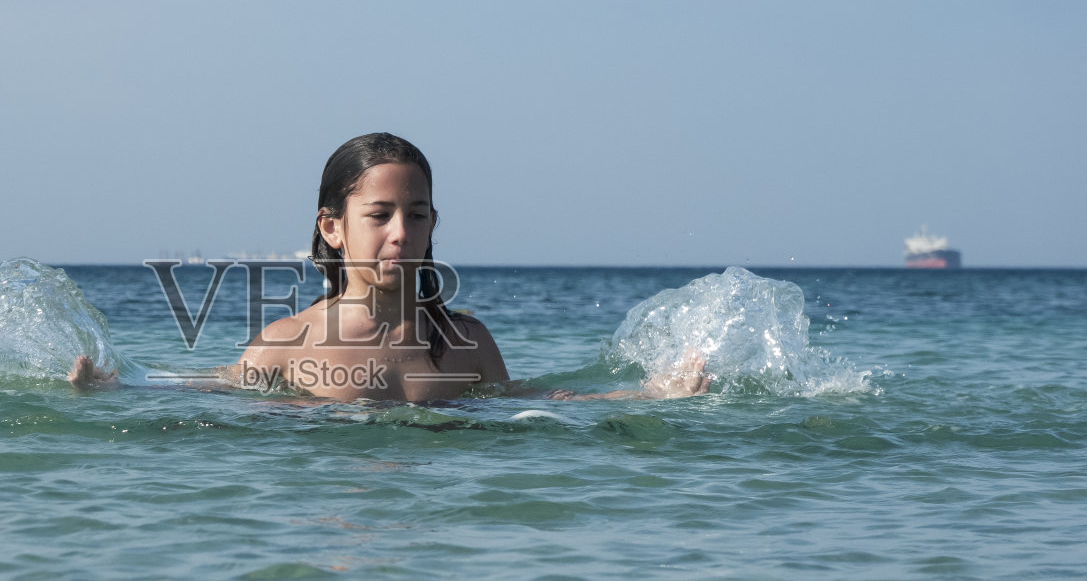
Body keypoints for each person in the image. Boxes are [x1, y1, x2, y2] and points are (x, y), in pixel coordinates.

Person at [71, 132, 707, 403]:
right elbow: (208, 390)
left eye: (418, 214)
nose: (402, 233)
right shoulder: (288, 346)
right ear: (332, 227)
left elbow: (539, 402)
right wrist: (114, 390)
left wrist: (653, 394)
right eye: (380, 215)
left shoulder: (466, 342)